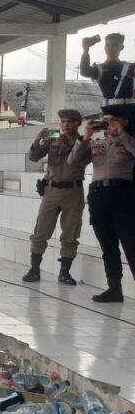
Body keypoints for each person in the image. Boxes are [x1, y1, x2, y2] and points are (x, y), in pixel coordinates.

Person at [68, 108, 135, 303]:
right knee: (108, 245)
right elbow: (73, 161)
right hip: (98, 195)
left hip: (122, 193)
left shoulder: (127, 140)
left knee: (131, 245)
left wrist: (121, 134)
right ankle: (114, 287)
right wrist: (85, 137)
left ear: (124, 122)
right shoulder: (96, 143)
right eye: (106, 122)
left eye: (113, 121)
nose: (109, 125)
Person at [22, 110, 85, 285]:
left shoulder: (83, 140)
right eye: (63, 122)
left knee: (71, 232)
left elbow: (81, 158)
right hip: (52, 189)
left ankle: (65, 272)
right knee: (41, 229)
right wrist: (37, 140)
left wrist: (70, 144)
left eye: (70, 122)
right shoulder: (53, 137)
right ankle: (35, 269)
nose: (66, 125)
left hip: (73, 191)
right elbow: (34, 157)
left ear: (78, 124)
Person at [81, 33, 135, 135]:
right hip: (111, 112)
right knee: (113, 144)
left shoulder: (130, 67)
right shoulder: (100, 68)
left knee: (132, 143)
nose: (110, 48)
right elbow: (84, 71)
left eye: (115, 45)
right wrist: (85, 50)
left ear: (121, 47)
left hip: (131, 111)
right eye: (107, 45)